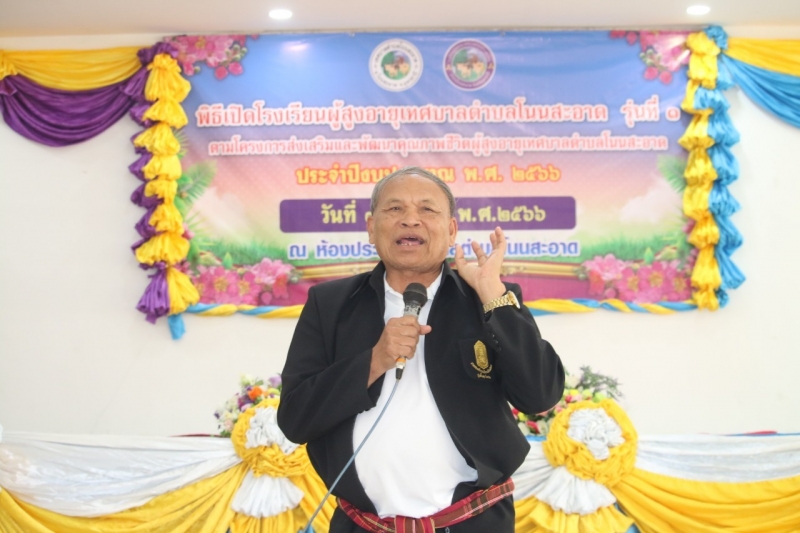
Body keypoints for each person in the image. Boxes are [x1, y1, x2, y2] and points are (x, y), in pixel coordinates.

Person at [278, 166, 564, 532]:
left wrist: (493, 294)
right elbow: (295, 419)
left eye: (427, 209)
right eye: (395, 208)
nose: (410, 220)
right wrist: (374, 361)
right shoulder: (330, 304)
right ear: (371, 227)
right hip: (363, 524)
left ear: (451, 230)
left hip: (472, 522)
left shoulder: (486, 298)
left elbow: (540, 395)